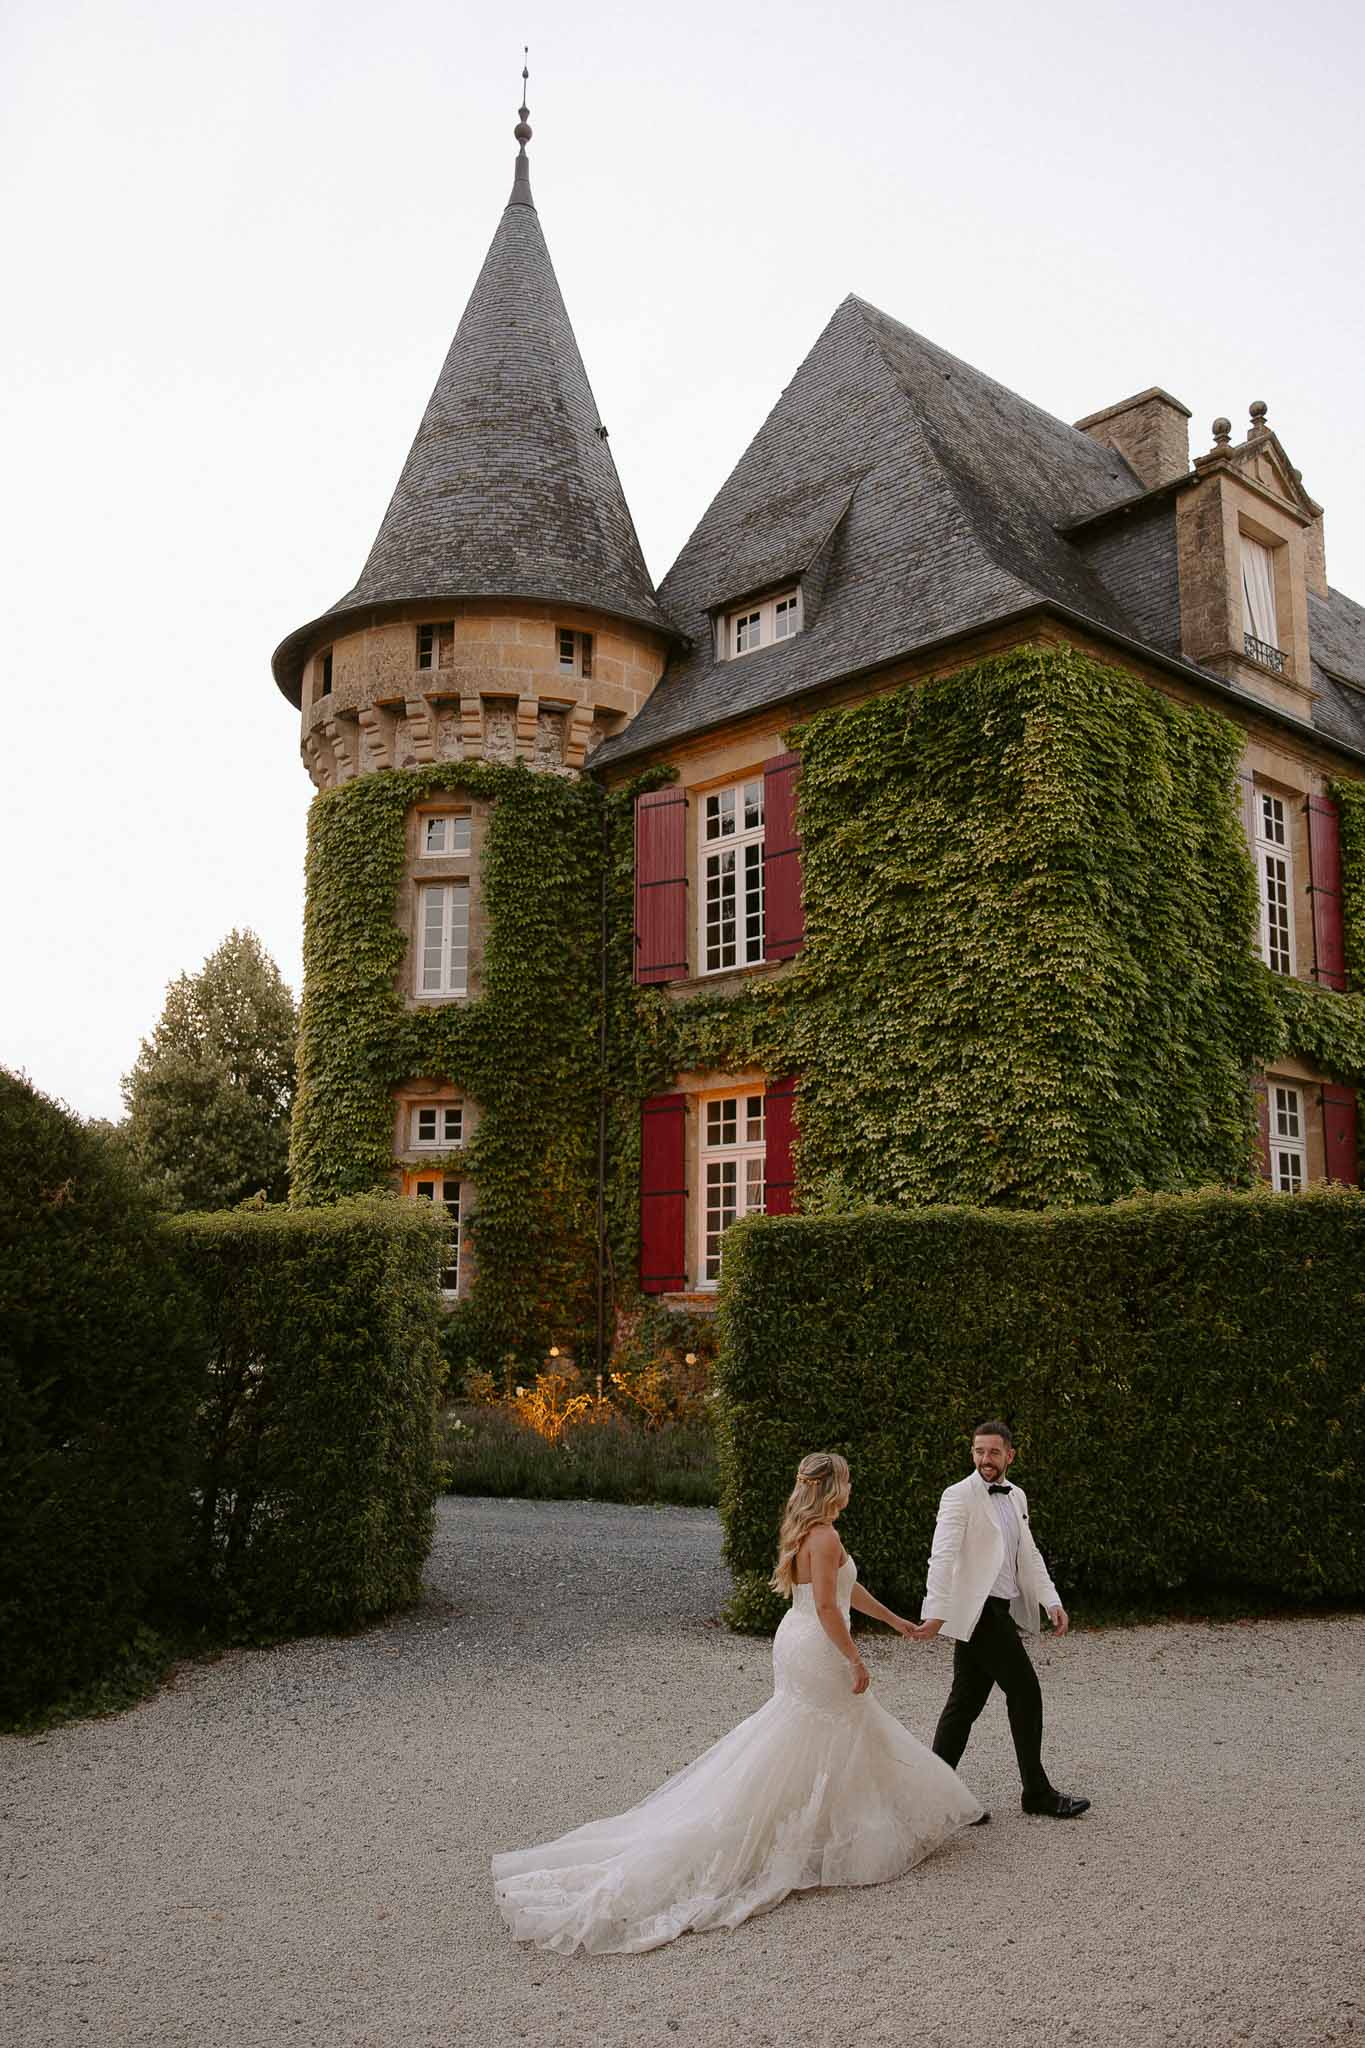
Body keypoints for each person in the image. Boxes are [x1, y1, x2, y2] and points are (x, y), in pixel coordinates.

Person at [492, 1451, 982, 1954]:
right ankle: (821, 1839)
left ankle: (822, 1832)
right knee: (830, 1731)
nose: (852, 1486)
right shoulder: (827, 1535)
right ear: (833, 1486)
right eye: (849, 1480)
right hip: (818, 1644)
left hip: (794, 1640)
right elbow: (828, 1608)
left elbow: (845, 1590)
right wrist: (855, 1659)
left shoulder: (808, 1531)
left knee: (811, 1735)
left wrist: (897, 1620)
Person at [918, 1419, 1089, 1820]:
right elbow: (941, 1556)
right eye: (979, 1451)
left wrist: (1051, 1600)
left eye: (993, 1452)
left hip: (999, 1610)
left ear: (1010, 1455)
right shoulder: (957, 1496)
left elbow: (1027, 1554)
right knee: (1025, 1692)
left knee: (964, 1704)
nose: (985, 1459)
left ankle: (930, 1797)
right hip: (979, 1614)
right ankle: (1037, 1793)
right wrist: (934, 1611)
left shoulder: (1017, 1497)